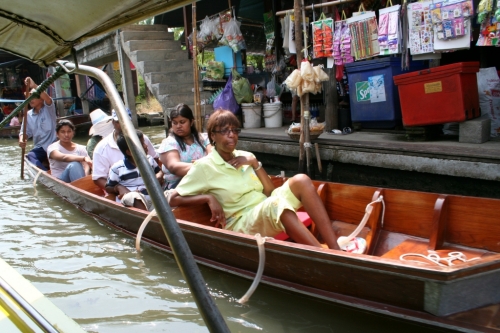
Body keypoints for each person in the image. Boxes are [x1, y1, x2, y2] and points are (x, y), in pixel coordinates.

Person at [168, 109, 341, 250]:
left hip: (263, 206)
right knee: (275, 205)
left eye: (235, 130)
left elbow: (269, 192)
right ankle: (320, 254)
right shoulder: (204, 166)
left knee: (301, 180)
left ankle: (335, 249)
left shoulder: (246, 156)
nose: (232, 135)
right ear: (212, 136)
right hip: (242, 221)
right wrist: (208, 198)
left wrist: (254, 163)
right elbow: (172, 198)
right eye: (225, 131)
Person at [92, 108, 160, 190]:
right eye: (118, 122)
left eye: (126, 122)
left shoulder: (142, 139)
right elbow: (98, 178)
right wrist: (119, 189)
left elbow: (155, 160)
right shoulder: (101, 148)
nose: (123, 125)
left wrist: (157, 178)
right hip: (121, 192)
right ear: (113, 122)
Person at [105, 131, 163, 211]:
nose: (146, 146)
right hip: (132, 199)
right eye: (142, 144)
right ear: (129, 152)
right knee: (134, 196)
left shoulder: (150, 160)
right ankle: (145, 217)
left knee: (172, 193)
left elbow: (159, 171)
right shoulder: (118, 168)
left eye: (144, 143)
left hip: (152, 196)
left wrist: (159, 175)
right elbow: (108, 187)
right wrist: (118, 187)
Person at [158, 104, 212, 189]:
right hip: (178, 187)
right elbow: (175, 167)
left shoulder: (204, 138)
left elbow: (213, 156)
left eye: (182, 122)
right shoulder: (169, 143)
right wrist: (201, 165)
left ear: (191, 122)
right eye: (174, 123)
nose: (178, 126)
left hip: (206, 181)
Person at [19, 77, 57, 171]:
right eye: (30, 97)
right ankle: (45, 173)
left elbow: (48, 99)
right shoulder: (28, 115)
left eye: (34, 97)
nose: (31, 100)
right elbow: (24, 132)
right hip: (40, 148)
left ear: (41, 99)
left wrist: (34, 85)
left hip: (53, 146)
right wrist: (22, 140)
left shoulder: (49, 109)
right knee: (30, 157)